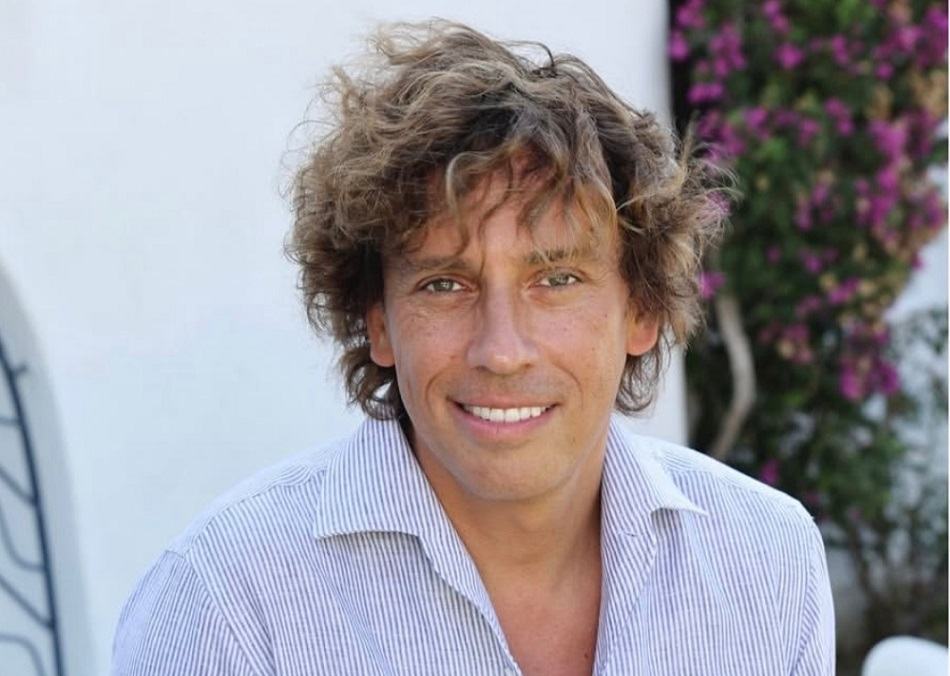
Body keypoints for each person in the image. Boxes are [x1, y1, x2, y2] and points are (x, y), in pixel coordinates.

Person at [111, 20, 835, 676]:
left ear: (640, 310)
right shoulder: (226, 603)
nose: (502, 351)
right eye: (444, 285)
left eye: (556, 279)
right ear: (378, 321)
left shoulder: (766, 561)